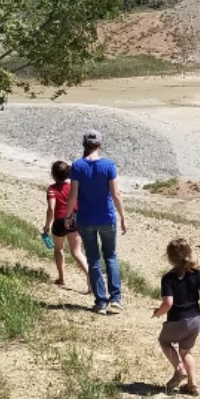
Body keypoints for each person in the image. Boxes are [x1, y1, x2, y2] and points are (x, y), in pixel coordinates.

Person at [66, 129, 127, 314]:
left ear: (84, 145)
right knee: (110, 256)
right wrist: (123, 217)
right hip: (107, 217)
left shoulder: (77, 166)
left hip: (86, 218)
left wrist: (68, 216)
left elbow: (73, 195)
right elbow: (116, 194)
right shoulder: (109, 165)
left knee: (93, 258)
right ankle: (115, 298)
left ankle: (100, 301)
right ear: (99, 145)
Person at [151, 237, 200, 396]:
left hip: (178, 320)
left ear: (169, 257)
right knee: (186, 350)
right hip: (195, 319)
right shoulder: (196, 273)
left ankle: (179, 369)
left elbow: (168, 303)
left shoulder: (168, 278)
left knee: (164, 341)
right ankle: (192, 385)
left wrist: (157, 313)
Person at [43, 160, 88, 288]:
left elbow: (51, 208)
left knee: (59, 249)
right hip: (74, 219)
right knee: (77, 252)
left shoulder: (51, 189)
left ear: (53, 174)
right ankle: (90, 278)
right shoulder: (73, 187)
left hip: (59, 222)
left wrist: (47, 225)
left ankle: (62, 278)